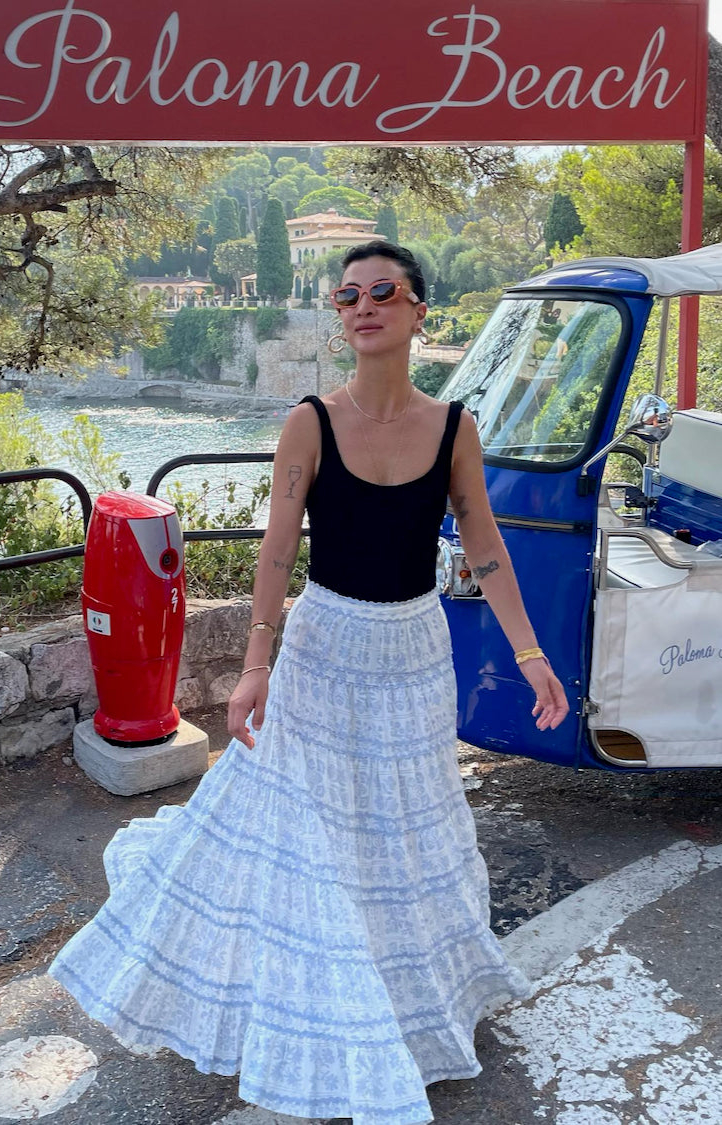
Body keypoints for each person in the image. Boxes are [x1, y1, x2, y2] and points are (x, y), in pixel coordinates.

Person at [50, 241, 568, 1125]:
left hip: (413, 649)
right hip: (326, 645)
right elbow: (278, 549)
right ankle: (333, 983)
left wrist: (529, 653)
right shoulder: (310, 423)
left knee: (407, 819)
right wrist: (255, 665)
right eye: (347, 294)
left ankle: (406, 988)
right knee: (316, 820)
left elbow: (483, 545)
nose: (362, 305)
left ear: (418, 312)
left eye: (382, 291)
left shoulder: (454, 426)